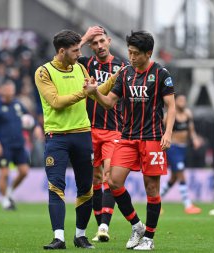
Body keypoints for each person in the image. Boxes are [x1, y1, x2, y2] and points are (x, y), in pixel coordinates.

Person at [84, 30, 176, 250]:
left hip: (153, 138)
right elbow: (108, 103)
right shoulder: (125, 74)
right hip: (127, 138)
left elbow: (171, 106)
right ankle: (136, 225)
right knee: (113, 181)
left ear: (148, 53)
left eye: (136, 53)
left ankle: (149, 239)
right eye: (130, 52)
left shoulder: (161, 74)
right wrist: (95, 92)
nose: (132, 57)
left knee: (151, 189)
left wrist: (168, 133)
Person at [34, 29, 120, 250]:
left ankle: (80, 236)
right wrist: (84, 93)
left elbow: (95, 92)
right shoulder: (44, 72)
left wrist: (117, 78)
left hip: (82, 135)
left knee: (86, 189)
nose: (79, 53)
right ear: (61, 51)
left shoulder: (80, 68)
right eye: (75, 50)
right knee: (56, 187)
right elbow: (56, 102)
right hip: (57, 137)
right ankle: (59, 237)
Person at [78, 26, 129, 243]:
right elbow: (64, 57)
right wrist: (83, 38)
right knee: (95, 179)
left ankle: (105, 227)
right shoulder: (85, 64)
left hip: (113, 130)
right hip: (88, 131)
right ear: (91, 45)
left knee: (109, 176)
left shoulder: (122, 67)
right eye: (94, 43)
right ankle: (100, 227)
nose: (99, 46)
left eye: (101, 41)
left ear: (108, 41)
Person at [0, 80, 30, 210]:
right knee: (4, 174)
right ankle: (5, 200)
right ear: (3, 91)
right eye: (8, 89)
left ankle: (9, 192)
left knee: (24, 172)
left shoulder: (18, 105)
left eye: (12, 89)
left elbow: (27, 117)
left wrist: (34, 126)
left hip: (19, 144)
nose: (11, 92)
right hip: (4, 145)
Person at [160, 95, 202, 214]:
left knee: (174, 178)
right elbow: (159, 128)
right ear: (175, 102)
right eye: (180, 100)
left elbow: (191, 129)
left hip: (183, 148)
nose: (183, 102)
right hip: (173, 148)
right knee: (181, 174)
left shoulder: (188, 114)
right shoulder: (169, 115)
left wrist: (194, 139)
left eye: (184, 100)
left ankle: (155, 201)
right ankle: (188, 205)